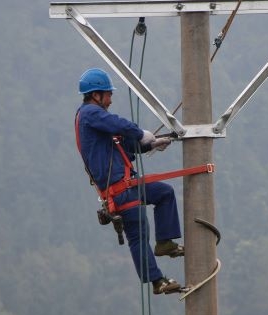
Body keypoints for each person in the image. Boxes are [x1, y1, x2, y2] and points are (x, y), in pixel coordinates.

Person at [75, 68, 185, 295]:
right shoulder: (89, 114)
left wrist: (149, 144)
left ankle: (164, 242)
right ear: (96, 95)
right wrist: (139, 132)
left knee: (164, 193)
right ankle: (157, 282)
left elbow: (122, 145)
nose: (111, 99)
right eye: (108, 94)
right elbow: (119, 125)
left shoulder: (96, 124)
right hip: (119, 190)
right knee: (138, 231)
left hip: (128, 184)